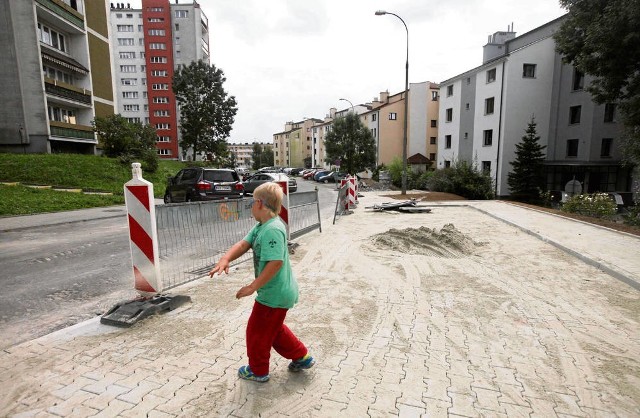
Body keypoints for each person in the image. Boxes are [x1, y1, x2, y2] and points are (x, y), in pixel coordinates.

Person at [208, 182, 315, 382]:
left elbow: (275, 262)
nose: (250, 206)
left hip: (274, 294)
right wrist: (225, 259)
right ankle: (301, 356)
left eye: (251, 202)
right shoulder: (261, 226)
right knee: (274, 329)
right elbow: (243, 244)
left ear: (259, 203)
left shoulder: (272, 229)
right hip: (276, 292)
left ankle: (258, 371)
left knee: (257, 332)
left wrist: (252, 286)